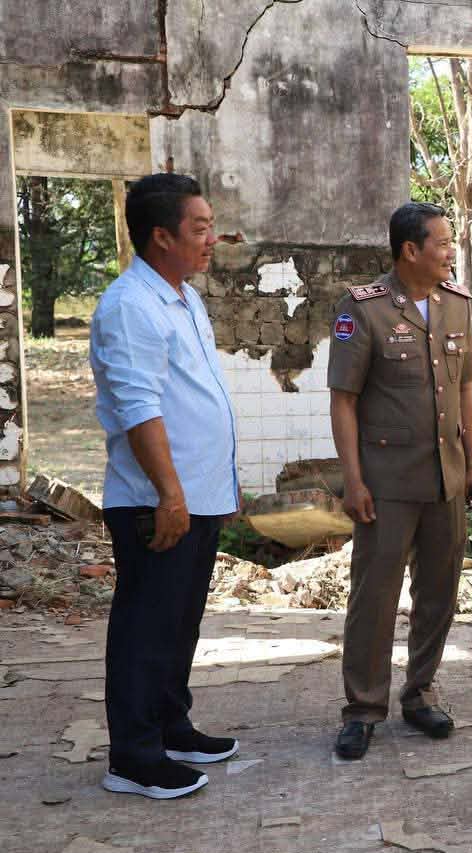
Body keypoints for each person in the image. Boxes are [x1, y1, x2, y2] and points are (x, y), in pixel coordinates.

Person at [90, 173, 241, 799]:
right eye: (200, 228)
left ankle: (171, 727)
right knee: (146, 628)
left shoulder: (183, 299)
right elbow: (139, 408)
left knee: (179, 625)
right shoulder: (131, 306)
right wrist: (170, 495)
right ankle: (134, 756)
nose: (211, 239)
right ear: (161, 236)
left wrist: (212, 489)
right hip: (157, 500)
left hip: (195, 495)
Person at [326, 202, 472, 759]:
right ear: (410, 250)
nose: (450, 252)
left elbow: (465, 388)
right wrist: (353, 480)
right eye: (441, 242)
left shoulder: (457, 304)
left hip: (446, 479)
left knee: (439, 592)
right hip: (387, 483)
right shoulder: (362, 309)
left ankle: (420, 693)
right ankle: (363, 708)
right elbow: (344, 401)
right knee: (375, 597)